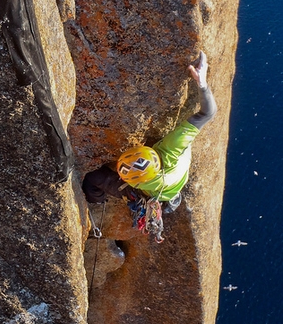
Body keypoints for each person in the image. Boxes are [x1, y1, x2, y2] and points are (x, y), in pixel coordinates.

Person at [82, 51, 217, 212]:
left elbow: (207, 114)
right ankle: (168, 203)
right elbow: (207, 113)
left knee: (93, 178)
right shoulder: (171, 149)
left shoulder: (136, 183)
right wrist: (201, 82)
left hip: (149, 193)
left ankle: (97, 201)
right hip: (166, 191)